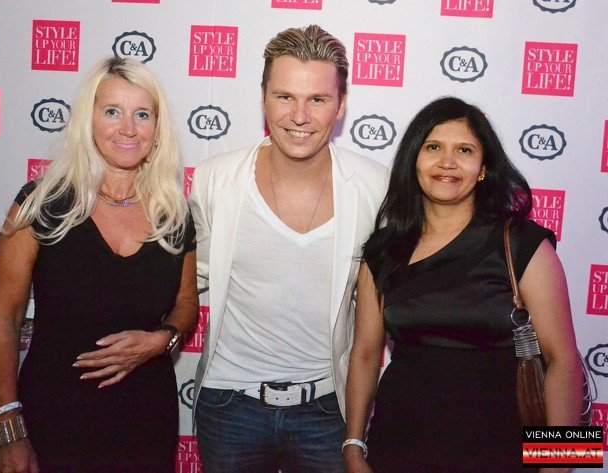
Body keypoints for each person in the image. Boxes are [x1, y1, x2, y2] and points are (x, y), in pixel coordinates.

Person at [344, 97, 583, 473]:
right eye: (433, 147)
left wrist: (559, 467)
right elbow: (364, 354)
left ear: (483, 168)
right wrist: (354, 447)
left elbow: (564, 361)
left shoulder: (523, 243)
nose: (447, 162)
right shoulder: (382, 249)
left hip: (503, 451)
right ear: (413, 160)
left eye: (465, 150)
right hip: (399, 446)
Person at [189, 25, 387, 473]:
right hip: (229, 406)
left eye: (317, 99)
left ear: (341, 104)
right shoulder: (215, 179)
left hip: (328, 411)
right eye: (284, 97)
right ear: (263, 98)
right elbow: (182, 280)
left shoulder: (376, 188)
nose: (300, 116)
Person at [0, 57, 198, 473]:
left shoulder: (174, 213)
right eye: (112, 112)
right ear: (89, 120)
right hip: (54, 415)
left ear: (157, 129)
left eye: (143, 114)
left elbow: (186, 303)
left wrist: (161, 341)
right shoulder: (41, 204)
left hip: (145, 418)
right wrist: (7, 427)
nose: (128, 128)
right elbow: (4, 319)